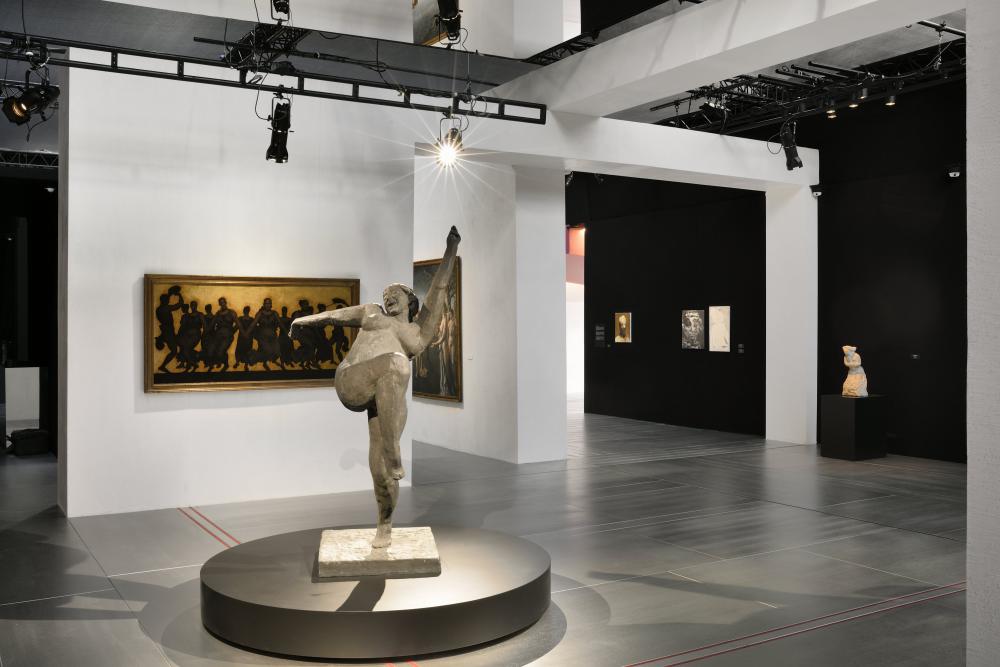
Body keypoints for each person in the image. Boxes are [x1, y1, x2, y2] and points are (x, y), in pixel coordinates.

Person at [291, 226, 460, 548]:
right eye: (385, 295)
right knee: (396, 363)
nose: (387, 297)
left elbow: (439, 290)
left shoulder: (417, 333)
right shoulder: (372, 314)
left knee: (381, 469)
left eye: (394, 293)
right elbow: (336, 316)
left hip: (386, 394)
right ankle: (395, 454)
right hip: (353, 380)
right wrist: (305, 321)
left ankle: (385, 524)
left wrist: (451, 248)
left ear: (410, 299)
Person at [154, 286, 184, 373]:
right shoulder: (166, 308)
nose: (168, 301)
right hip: (168, 331)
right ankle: (162, 366)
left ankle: (181, 361)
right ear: (164, 301)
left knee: (179, 344)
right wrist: (179, 294)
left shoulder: (158, 309)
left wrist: (170, 294)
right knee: (174, 350)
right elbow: (180, 304)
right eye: (167, 300)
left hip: (166, 330)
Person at [253, 297, 283, 371]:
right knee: (266, 350)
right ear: (264, 304)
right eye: (266, 303)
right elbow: (253, 324)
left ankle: (272, 360)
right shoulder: (260, 314)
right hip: (263, 336)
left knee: (277, 351)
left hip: (273, 336)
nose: (267, 305)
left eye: (269, 303)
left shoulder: (274, 313)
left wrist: (287, 332)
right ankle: (265, 363)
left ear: (271, 305)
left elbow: (280, 324)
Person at [236, 306, 256, 371]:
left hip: (248, 338)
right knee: (239, 349)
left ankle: (246, 365)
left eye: (247, 310)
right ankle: (237, 362)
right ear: (243, 311)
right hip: (241, 338)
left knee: (248, 351)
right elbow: (236, 326)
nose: (246, 311)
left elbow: (253, 328)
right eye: (245, 310)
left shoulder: (252, 319)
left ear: (248, 311)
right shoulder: (240, 318)